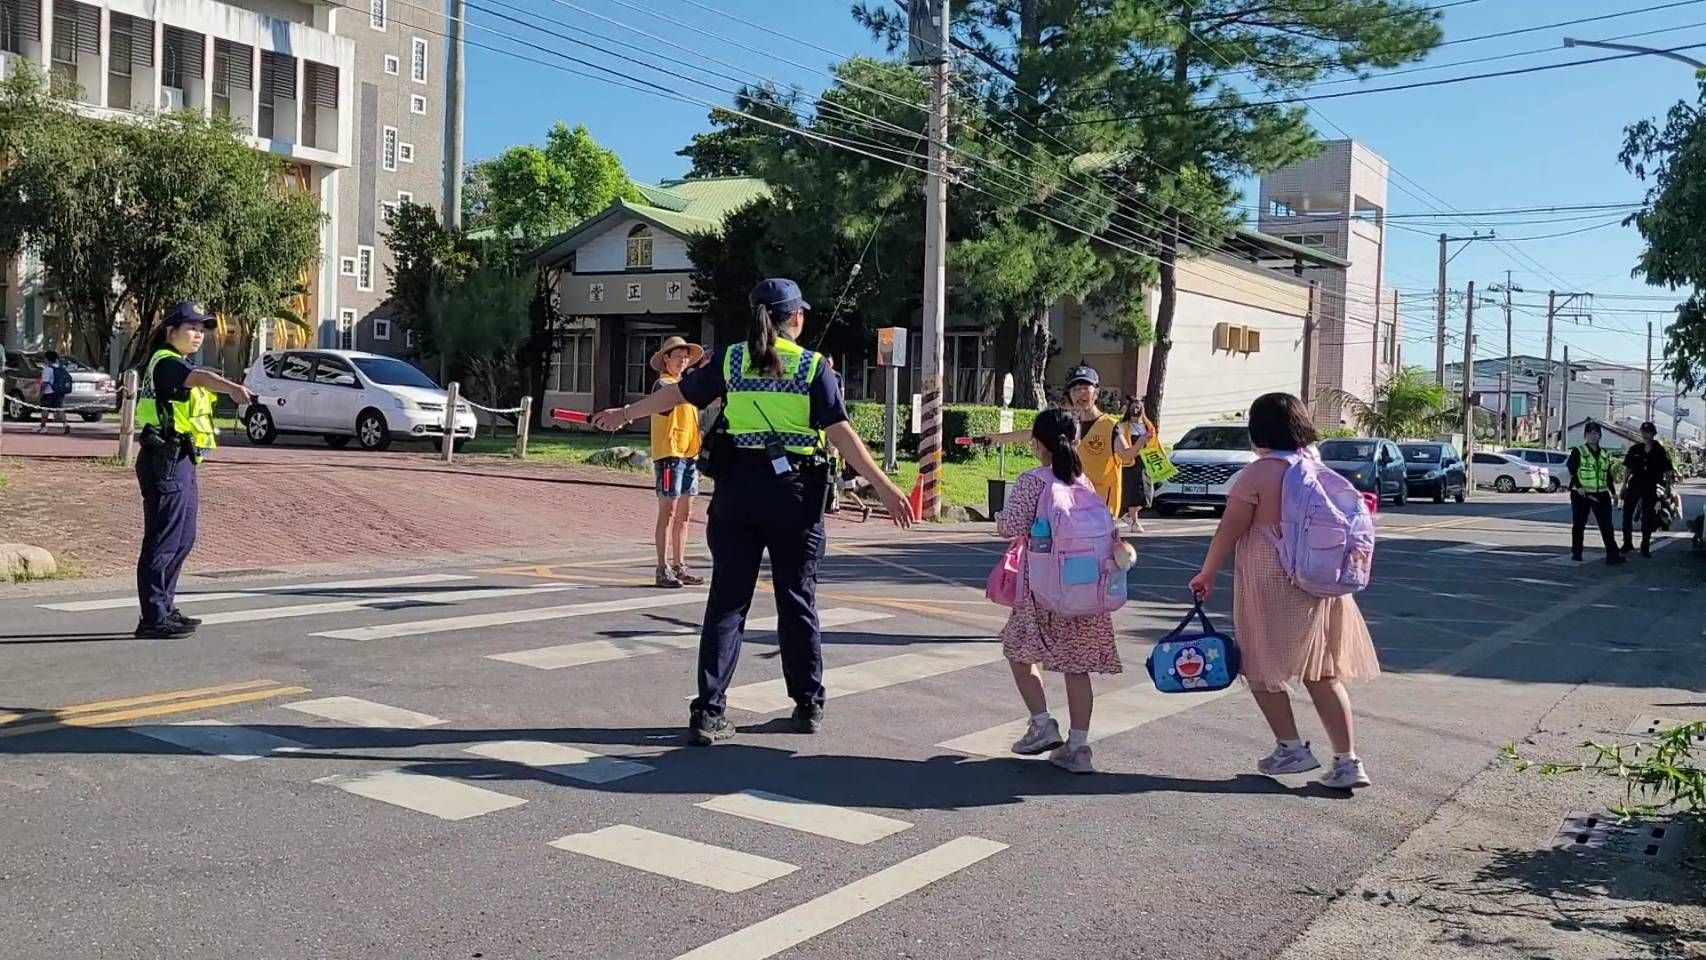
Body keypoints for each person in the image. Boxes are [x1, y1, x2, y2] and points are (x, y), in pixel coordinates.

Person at [592, 278, 914, 746]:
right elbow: (841, 432)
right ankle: (808, 705)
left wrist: (625, 413)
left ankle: (708, 712)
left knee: (728, 600)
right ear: (796, 318)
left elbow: (677, 395)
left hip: (738, 488)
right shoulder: (812, 367)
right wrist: (884, 488)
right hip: (796, 495)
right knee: (796, 598)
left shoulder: (730, 359)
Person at [1187, 392, 1379, 791]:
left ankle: (1290, 747)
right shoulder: (1313, 465)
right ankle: (1348, 761)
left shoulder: (1259, 473)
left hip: (1272, 579)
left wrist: (1207, 573)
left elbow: (1230, 530)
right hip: (1320, 580)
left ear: (1258, 429)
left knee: (1260, 666)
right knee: (1323, 672)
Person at [997, 409, 1122, 774]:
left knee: (1018, 650)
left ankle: (1041, 723)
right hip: (1086, 587)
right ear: (1076, 440)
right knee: (1076, 665)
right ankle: (1079, 748)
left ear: (1037, 443)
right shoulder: (1083, 482)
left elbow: (1013, 526)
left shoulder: (1032, 481)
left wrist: (1000, 522)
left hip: (1042, 587)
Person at [132, 302, 254, 640]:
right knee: (163, 541)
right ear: (171, 332)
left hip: (182, 459)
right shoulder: (166, 362)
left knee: (183, 539)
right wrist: (230, 387)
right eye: (191, 328)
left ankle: (165, 608)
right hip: (165, 460)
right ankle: (153, 617)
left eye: (202, 329)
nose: (198, 334)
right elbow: (199, 378)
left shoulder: (178, 363)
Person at [976, 364, 1136, 518]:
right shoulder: (1067, 421)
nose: (1081, 393)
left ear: (1096, 392)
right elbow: (1034, 433)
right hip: (1070, 507)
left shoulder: (1111, 426)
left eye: (1086, 388)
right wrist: (997, 438)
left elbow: (1126, 454)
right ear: (1070, 394)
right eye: (1075, 389)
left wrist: (1141, 442)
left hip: (1101, 510)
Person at [648, 335, 708, 589]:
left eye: (686, 356)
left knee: (685, 514)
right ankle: (662, 567)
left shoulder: (685, 386)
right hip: (669, 454)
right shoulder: (664, 385)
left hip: (689, 455)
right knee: (668, 511)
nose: (682, 360)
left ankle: (679, 564)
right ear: (666, 359)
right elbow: (670, 403)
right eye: (677, 356)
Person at [1567, 421, 1625, 565]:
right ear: (1585, 435)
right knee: (1579, 524)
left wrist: (1613, 493)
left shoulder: (1605, 454)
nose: (1593, 436)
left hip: (1601, 493)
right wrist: (1579, 486)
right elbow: (1572, 470)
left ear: (1600, 436)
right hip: (1582, 494)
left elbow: (1608, 475)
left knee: (1607, 526)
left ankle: (1613, 556)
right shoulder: (1579, 451)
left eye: (1596, 433)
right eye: (1590, 433)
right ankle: (1577, 552)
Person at [1622, 421, 1674, 558]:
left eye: (1648, 432)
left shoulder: (1659, 450)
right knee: (1627, 513)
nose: (1645, 435)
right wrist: (1623, 485)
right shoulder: (1635, 449)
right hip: (1635, 484)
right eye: (1643, 432)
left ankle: (1645, 546)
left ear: (1653, 434)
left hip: (1650, 485)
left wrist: (1668, 487)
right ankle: (1627, 542)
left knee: (1647, 516)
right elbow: (1628, 468)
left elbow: (1668, 470)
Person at [1117, 396, 1156, 531]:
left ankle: (1126, 514)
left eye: (1139, 406)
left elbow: (1154, 444)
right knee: (1133, 493)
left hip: (1144, 462)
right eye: (1134, 406)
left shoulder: (1148, 426)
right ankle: (1134, 521)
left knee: (1147, 493)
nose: (1136, 409)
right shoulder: (1123, 426)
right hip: (1129, 463)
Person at [36, 350, 70, 435]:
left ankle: (43, 427)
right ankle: (65, 424)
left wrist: (41, 393)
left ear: (47, 359)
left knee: (45, 409)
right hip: (58, 392)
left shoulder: (47, 370)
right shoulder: (59, 368)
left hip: (48, 392)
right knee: (59, 409)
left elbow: (44, 383)